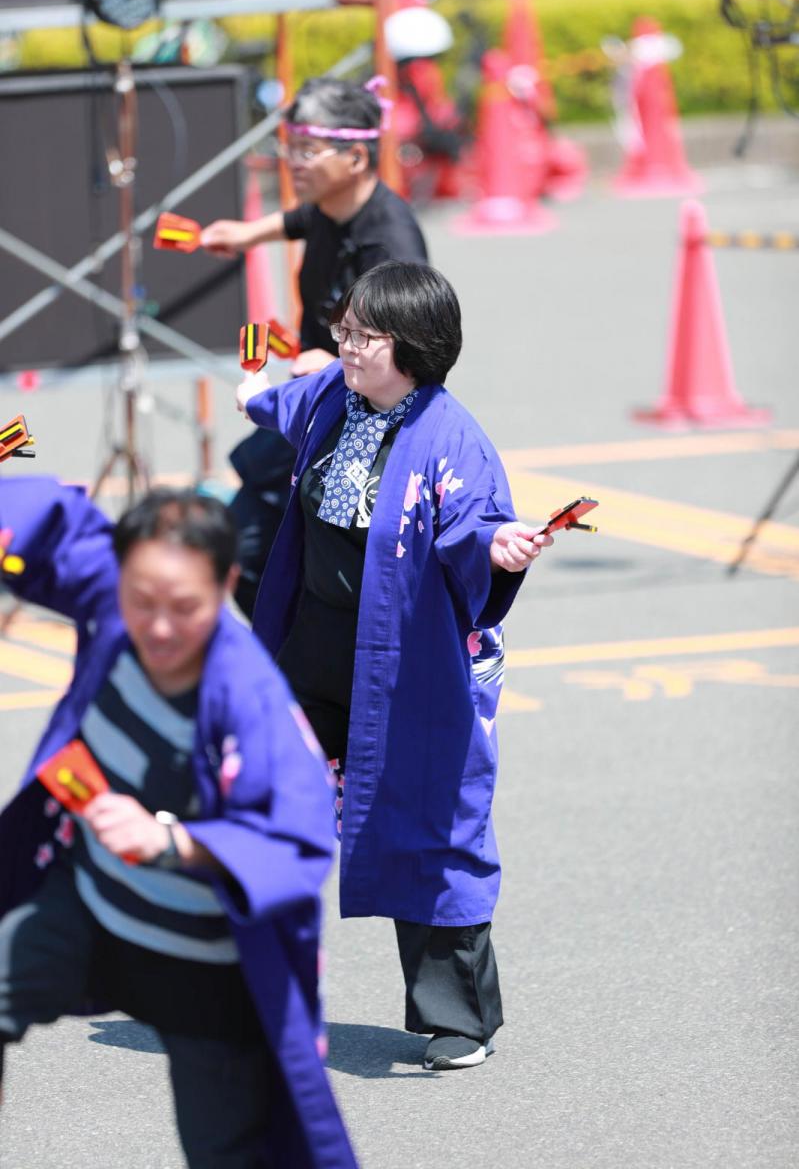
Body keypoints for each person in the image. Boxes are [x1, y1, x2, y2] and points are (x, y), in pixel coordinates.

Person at [235, 261, 554, 1072]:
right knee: (265, 802)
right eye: (342, 328)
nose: (343, 343)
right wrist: (251, 392)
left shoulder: (452, 437)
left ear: (412, 346)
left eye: (361, 334)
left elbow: (475, 527)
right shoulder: (333, 399)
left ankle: (457, 1017)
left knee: (430, 824)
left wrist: (497, 544)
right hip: (310, 645)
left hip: (403, 667)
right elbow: (279, 402)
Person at [0, 480, 357, 1168]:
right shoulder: (111, 591)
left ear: (226, 582)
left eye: (184, 608)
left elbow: (299, 841)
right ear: (120, 570)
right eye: (142, 602)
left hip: (202, 954)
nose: (159, 627)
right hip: (89, 907)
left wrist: (170, 840)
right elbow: (54, 523)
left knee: (228, 1149)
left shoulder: (246, 694)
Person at [201, 76, 429, 618]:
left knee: (275, 563)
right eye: (290, 149)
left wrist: (332, 363)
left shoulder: (389, 246)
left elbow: (414, 354)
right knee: (252, 555)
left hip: (360, 432)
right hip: (316, 409)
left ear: (355, 156)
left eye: (307, 151)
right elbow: (302, 219)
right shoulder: (331, 207)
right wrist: (247, 233)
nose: (293, 163)